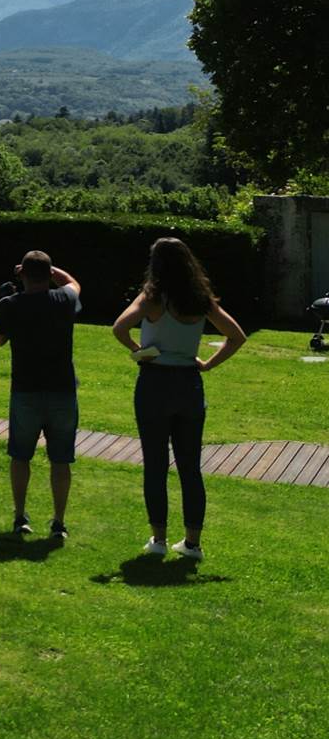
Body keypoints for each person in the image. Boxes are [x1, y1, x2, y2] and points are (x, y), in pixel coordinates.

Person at [113, 237, 245, 561]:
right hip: (189, 384)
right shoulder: (201, 299)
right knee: (190, 468)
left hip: (154, 383)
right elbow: (236, 336)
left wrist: (140, 352)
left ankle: (158, 539)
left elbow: (119, 328)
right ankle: (192, 544)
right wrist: (208, 364)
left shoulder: (152, 298)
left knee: (155, 465)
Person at [0, 251, 82, 539]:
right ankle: (58, 522)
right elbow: (73, 283)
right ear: (48, 274)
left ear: (22, 275)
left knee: (20, 456)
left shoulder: (10, 304)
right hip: (62, 392)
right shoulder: (64, 301)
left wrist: (7, 301)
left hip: (26, 392)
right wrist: (52, 269)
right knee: (61, 460)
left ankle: (20, 517)